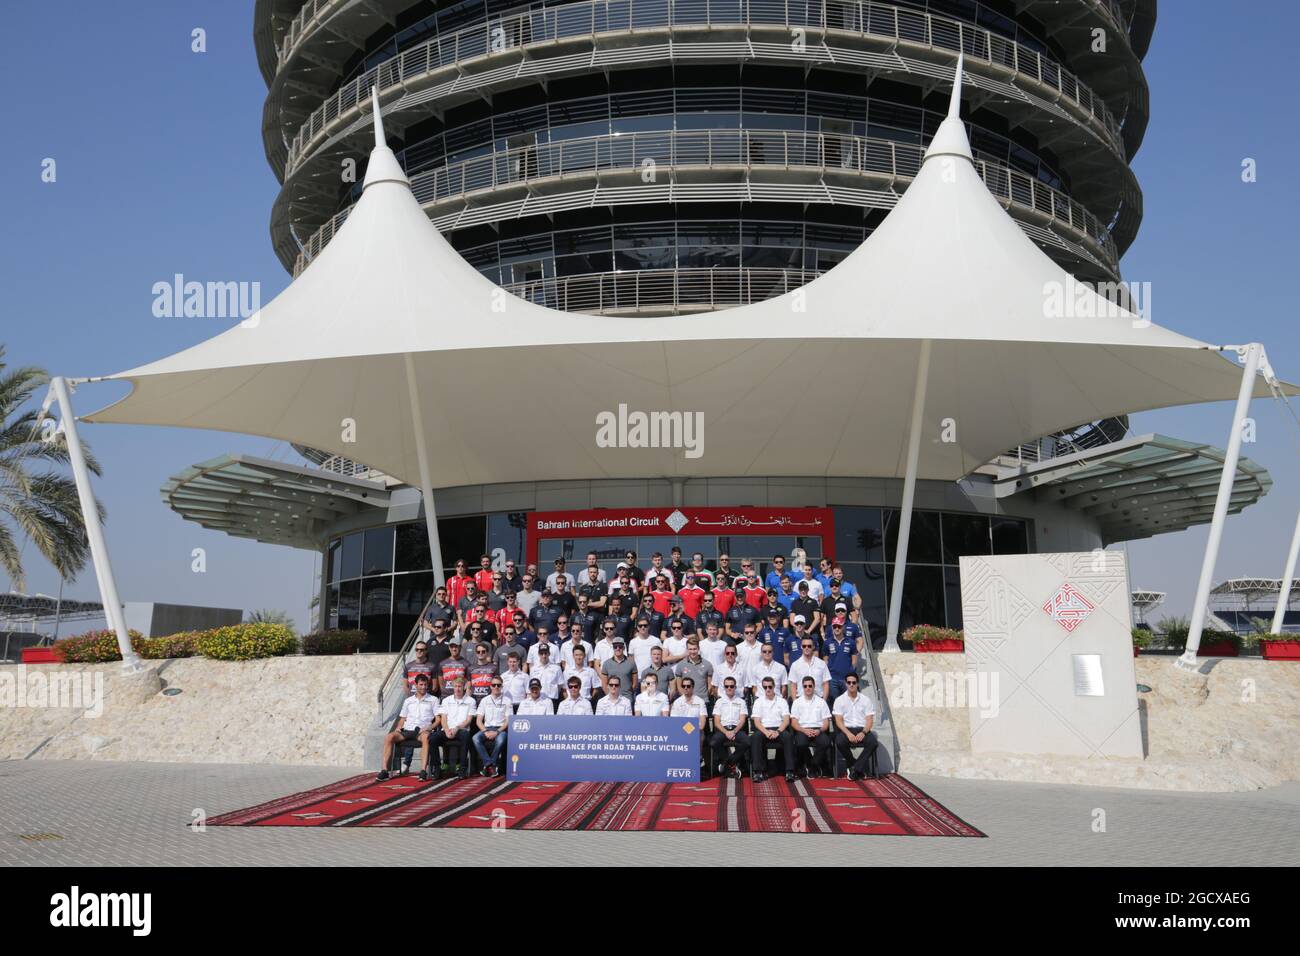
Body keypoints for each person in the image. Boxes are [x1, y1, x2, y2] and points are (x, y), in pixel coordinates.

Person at [377, 673, 437, 781]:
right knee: (389, 737)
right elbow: (402, 719)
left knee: (425, 737)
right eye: (421, 684)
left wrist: (430, 727)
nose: (423, 687)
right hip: (407, 730)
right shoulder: (408, 701)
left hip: (422, 731)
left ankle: (423, 771)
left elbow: (438, 719)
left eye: (425, 685)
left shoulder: (433, 700)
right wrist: (398, 727)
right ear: (416, 685)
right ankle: (384, 771)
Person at [832, 674, 879, 780]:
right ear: (845, 684)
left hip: (862, 729)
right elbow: (838, 721)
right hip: (846, 729)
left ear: (857, 684)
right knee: (839, 741)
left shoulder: (866, 700)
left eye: (854, 682)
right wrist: (848, 733)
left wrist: (863, 732)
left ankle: (855, 768)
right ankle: (856, 765)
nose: (851, 685)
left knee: (873, 743)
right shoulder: (839, 700)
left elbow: (869, 720)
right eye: (849, 682)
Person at [428, 677, 477, 779]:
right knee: (432, 738)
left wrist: (457, 728)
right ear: (452, 687)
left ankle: (462, 769)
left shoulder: (471, 701)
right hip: (447, 730)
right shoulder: (446, 700)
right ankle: (436, 768)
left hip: (461, 730)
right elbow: (443, 718)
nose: (457, 689)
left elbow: (468, 720)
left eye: (460, 686)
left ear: (464, 687)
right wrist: (446, 730)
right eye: (455, 686)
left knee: (466, 736)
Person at [750, 677, 794, 783]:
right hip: (763, 729)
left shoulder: (782, 701)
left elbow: (786, 720)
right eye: (765, 687)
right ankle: (758, 772)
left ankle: (789, 771)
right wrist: (766, 732)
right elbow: (756, 722)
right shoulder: (758, 702)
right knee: (755, 737)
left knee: (788, 736)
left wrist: (778, 731)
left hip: (779, 728)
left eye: (770, 687)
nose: (768, 689)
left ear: (774, 687)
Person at [790, 677, 833, 777]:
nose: (807, 688)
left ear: (814, 687)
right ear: (802, 687)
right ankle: (806, 764)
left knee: (825, 742)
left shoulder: (821, 702)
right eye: (805, 686)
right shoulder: (797, 702)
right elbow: (794, 723)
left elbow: (826, 722)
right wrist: (804, 730)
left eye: (810, 686)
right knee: (801, 743)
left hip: (818, 729)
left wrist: (819, 730)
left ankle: (813, 765)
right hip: (802, 729)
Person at [710, 677, 749, 779]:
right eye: (727, 686)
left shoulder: (741, 701)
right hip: (723, 729)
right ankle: (732, 764)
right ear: (724, 687)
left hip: (737, 729)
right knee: (713, 742)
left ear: (735, 687)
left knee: (747, 742)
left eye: (731, 686)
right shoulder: (719, 702)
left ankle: (727, 762)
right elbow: (717, 722)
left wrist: (734, 731)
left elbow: (742, 720)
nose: (729, 688)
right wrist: (726, 732)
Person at [473, 675, 512, 776]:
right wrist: (485, 731)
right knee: (475, 738)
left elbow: (508, 721)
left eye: (498, 685)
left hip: (501, 729)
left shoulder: (507, 701)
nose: (496, 687)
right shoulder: (484, 700)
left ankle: (489, 765)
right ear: (490, 686)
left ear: (502, 686)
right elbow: (478, 721)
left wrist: (497, 732)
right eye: (493, 685)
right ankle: (490, 764)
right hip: (486, 728)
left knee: (501, 740)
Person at [670, 675, 710, 773]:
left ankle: (699, 758)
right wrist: (686, 729)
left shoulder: (700, 701)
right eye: (684, 686)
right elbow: (674, 722)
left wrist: (690, 729)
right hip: (680, 732)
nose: (686, 688)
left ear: (693, 687)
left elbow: (702, 723)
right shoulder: (677, 702)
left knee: (700, 734)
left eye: (688, 686)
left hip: (696, 731)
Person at [823, 620, 860, 703]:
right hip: (833, 679)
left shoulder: (851, 642)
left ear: (843, 627)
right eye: (834, 626)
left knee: (849, 703)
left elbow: (854, 659)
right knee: (835, 704)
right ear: (832, 628)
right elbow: (825, 659)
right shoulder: (827, 643)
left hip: (846, 680)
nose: (837, 628)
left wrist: (851, 672)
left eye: (839, 626)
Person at [787, 632, 831, 699]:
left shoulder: (822, 664)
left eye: (809, 646)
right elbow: (793, 685)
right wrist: (795, 702)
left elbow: (826, 683)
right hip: (801, 700)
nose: (806, 648)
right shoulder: (795, 665)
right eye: (804, 646)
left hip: (819, 699)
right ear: (801, 647)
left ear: (813, 647)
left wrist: (824, 701)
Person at [673, 638, 713, 704]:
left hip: (703, 701)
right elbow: (679, 686)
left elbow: (710, 685)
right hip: (686, 701)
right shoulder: (681, 664)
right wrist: (685, 697)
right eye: (690, 649)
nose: (692, 651)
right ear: (687, 649)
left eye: (694, 649)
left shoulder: (707, 664)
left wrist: (704, 697)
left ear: (698, 648)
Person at [601, 636, 637, 701]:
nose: (618, 648)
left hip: (627, 698)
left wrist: (629, 692)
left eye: (620, 646)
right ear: (613, 648)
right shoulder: (606, 663)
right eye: (615, 646)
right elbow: (604, 684)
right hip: (611, 699)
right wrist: (609, 696)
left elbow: (635, 683)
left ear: (623, 648)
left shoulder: (631, 663)